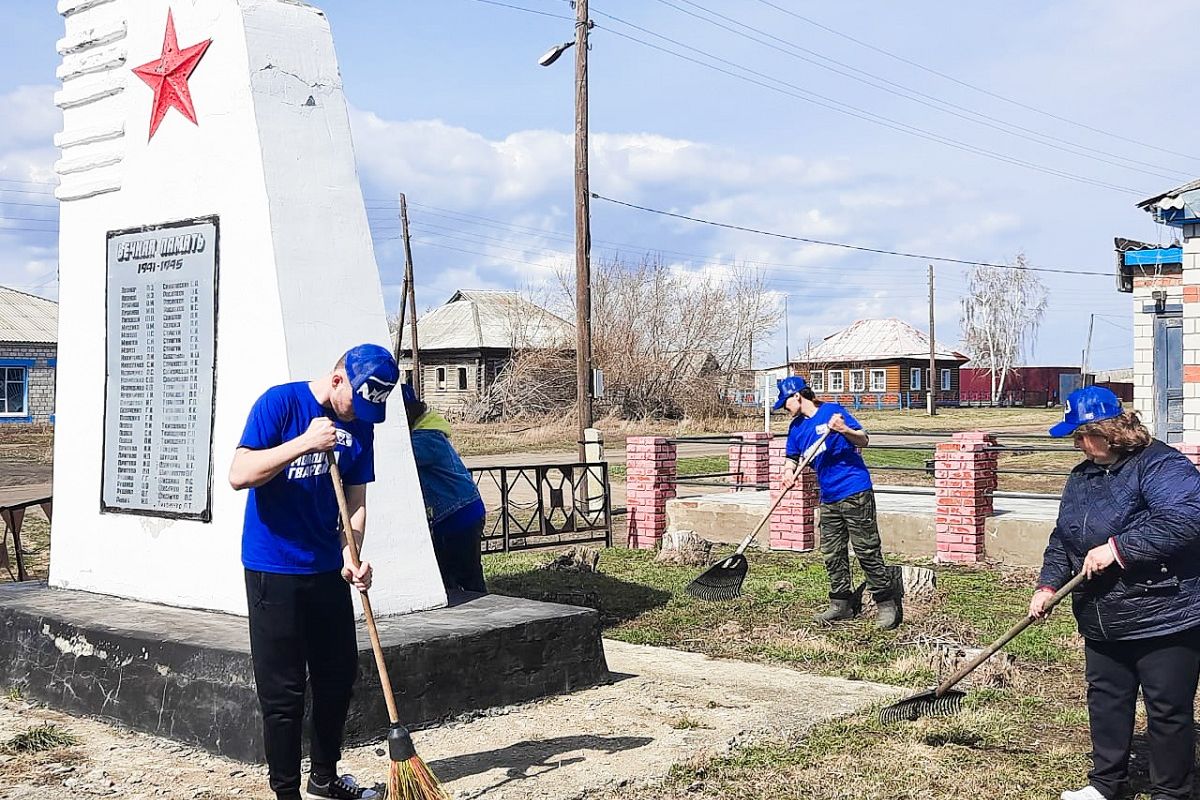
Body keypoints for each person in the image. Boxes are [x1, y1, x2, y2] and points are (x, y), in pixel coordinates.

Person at [229, 343, 399, 800]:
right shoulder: (280, 403)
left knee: (337, 675)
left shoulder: (361, 423)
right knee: (283, 690)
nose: (358, 413)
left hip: (327, 566)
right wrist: (305, 442)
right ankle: (285, 792)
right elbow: (239, 473)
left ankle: (324, 777)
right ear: (338, 377)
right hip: (274, 568)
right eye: (356, 401)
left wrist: (351, 551)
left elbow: (356, 499)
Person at [1030, 386, 1200, 800]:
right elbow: (1063, 538)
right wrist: (1048, 583)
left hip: (1165, 612)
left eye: (1080, 436)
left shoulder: (1162, 466)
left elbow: (1186, 518)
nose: (1076, 445)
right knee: (1106, 700)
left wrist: (1119, 549)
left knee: (1167, 711)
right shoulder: (1082, 475)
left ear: (1105, 431)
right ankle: (1106, 783)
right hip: (1102, 615)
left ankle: (1171, 792)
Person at [774, 375, 901, 629]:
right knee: (832, 552)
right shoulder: (796, 428)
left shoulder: (832, 412)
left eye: (785, 402)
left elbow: (863, 439)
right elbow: (791, 457)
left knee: (866, 549)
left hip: (854, 490)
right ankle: (841, 603)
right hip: (829, 497)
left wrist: (844, 430)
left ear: (797, 395)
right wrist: (788, 472)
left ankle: (887, 604)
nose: (783, 408)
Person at [402, 384, 487, 595]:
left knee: (467, 575)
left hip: (459, 514)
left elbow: (401, 458)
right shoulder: (425, 433)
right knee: (447, 574)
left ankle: (482, 612)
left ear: (408, 412)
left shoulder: (425, 439)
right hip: (454, 514)